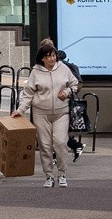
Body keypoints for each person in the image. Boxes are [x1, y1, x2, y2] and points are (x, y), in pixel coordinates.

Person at [16, 42, 80, 187]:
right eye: (48, 56)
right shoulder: (35, 72)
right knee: (45, 145)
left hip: (61, 112)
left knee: (60, 142)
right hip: (40, 113)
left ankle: (62, 174)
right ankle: (49, 176)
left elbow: (74, 84)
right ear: (42, 59)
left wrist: (68, 92)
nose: (52, 59)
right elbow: (28, 94)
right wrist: (20, 111)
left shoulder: (63, 68)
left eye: (54, 55)